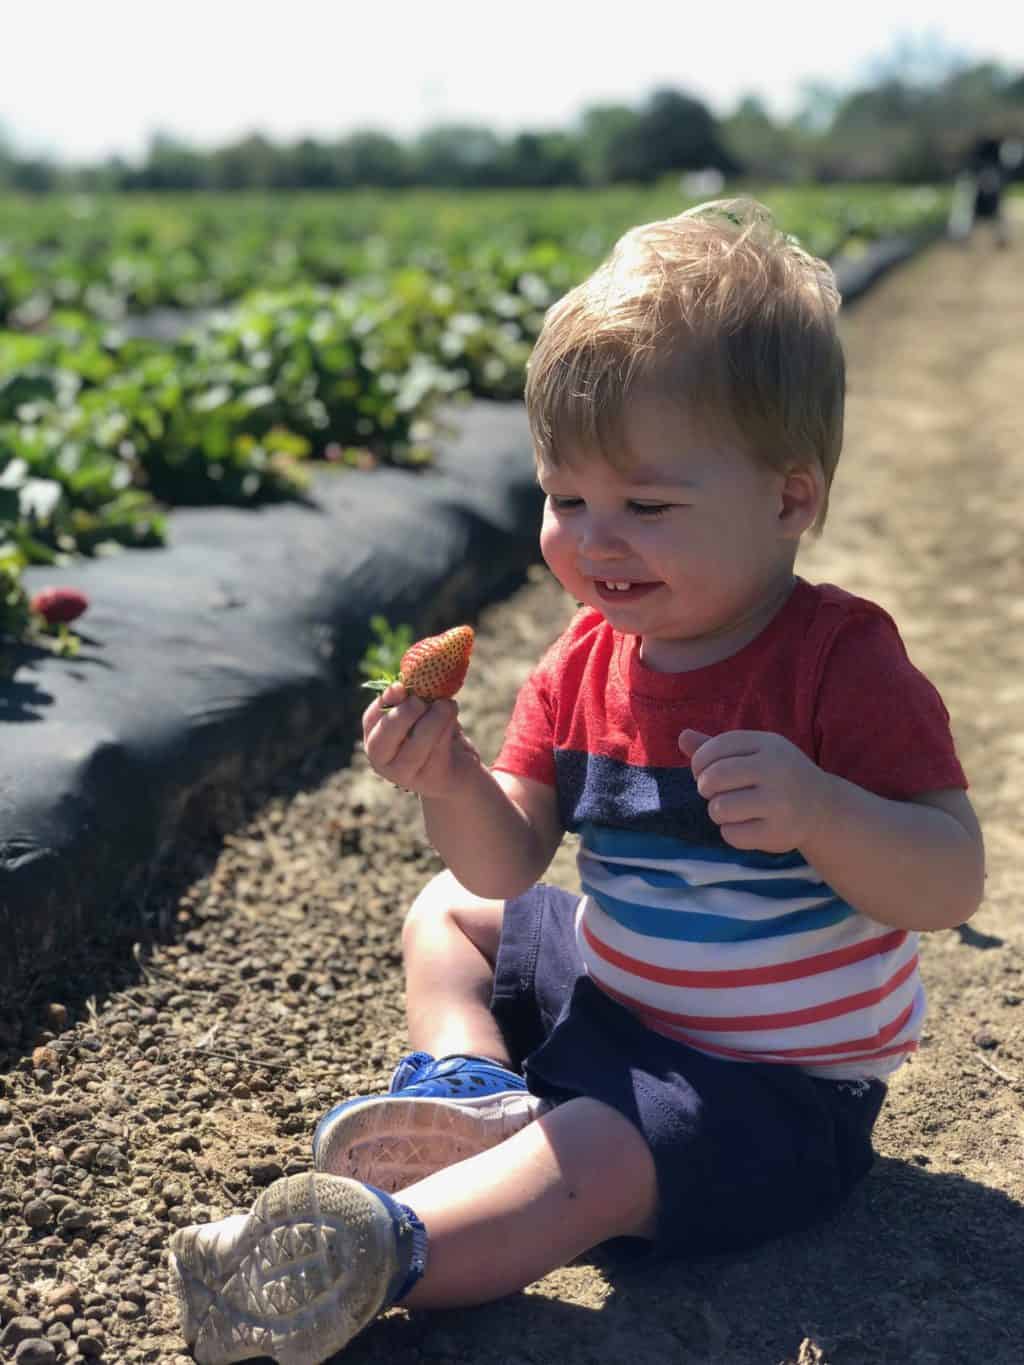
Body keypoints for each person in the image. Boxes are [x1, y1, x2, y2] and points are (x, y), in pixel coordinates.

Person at [168, 198, 986, 1365]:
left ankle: (381, 1253)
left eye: (645, 507)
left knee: (596, 1157)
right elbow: (506, 859)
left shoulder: (837, 663)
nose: (594, 542)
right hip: (614, 998)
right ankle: (468, 1089)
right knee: (450, 908)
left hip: (768, 1094)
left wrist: (823, 810)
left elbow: (949, 880)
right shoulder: (583, 659)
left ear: (788, 499)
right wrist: (450, 779)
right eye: (566, 500)